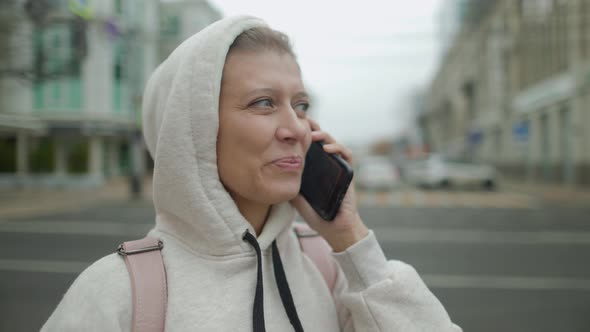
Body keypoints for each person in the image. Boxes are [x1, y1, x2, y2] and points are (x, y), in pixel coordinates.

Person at [42, 16, 461, 331]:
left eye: (301, 105)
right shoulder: (120, 293)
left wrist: (350, 239)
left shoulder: (328, 271)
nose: (296, 128)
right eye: (263, 103)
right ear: (194, 130)